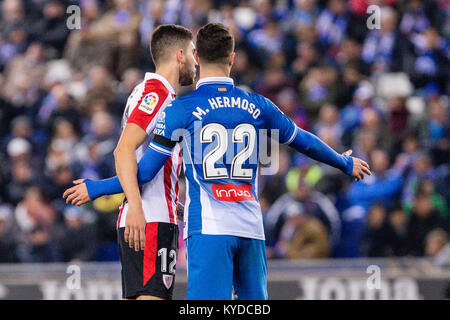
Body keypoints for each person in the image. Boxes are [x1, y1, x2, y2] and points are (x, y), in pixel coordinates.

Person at [63, 23, 370, 300]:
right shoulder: (257, 104)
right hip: (251, 226)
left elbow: (143, 171)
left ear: (196, 57)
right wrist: (344, 163)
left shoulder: (180, 109)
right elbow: (303, 140)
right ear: (232, 59)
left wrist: (99, 188)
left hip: (209, 226)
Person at [64, 24, 196, 300]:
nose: (197, 62)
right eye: (194, 53)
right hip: (150, 218)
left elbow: (148, 165)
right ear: (180, 55)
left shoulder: (148, 92)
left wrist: (177, 205)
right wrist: (134, 205)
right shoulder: (157, 94)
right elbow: (123, 150)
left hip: (151, 214)